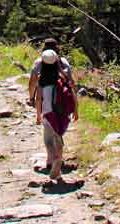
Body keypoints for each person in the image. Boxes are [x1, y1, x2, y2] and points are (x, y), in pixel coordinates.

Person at [27, 37, 78, 185]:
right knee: (59, 134)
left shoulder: (39, 67)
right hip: (63, 108)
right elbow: (72, 85)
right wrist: (75, 108)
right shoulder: (64, 65)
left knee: (48, 137)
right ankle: (58, 159)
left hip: (47, 109)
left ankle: (51, 160)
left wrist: (32, 101)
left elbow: (32, 84)